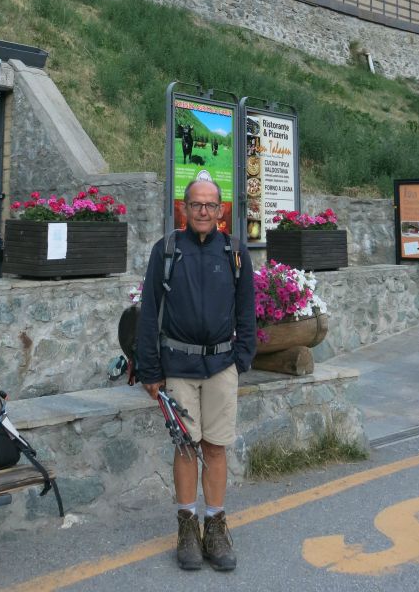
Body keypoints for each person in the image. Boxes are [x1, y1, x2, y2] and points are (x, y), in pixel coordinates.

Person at [136, 179, 255, 572]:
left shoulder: (235, 252)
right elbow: (149, 311)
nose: (203, 211)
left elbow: (246, 310)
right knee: (186, 448)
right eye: (196, 205)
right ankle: (187, 527)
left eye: (210, 205)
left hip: (222, 366)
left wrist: (242, 358)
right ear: (183, 209)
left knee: (216, 447)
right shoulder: (167, 251)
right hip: (179, 367)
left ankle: (216, 526)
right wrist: (150, 369)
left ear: (221, 211)